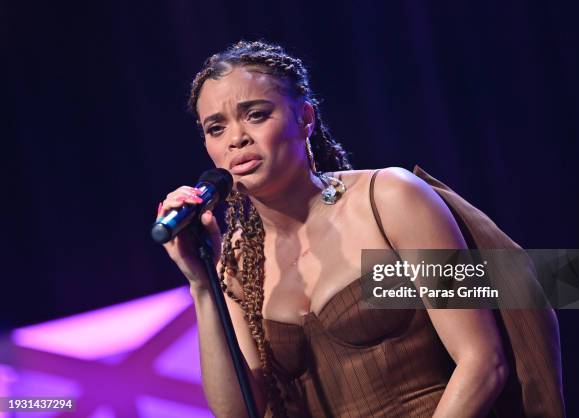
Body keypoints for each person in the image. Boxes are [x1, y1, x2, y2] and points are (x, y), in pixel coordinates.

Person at [157, 40, 519, 418]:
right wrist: (202, 286)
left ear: (305, 119)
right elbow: (237, 412)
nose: (236, 139)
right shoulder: (235, 262)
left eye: (257, 115)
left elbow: (482, 362)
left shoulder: (390, 199)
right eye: (216, 128)